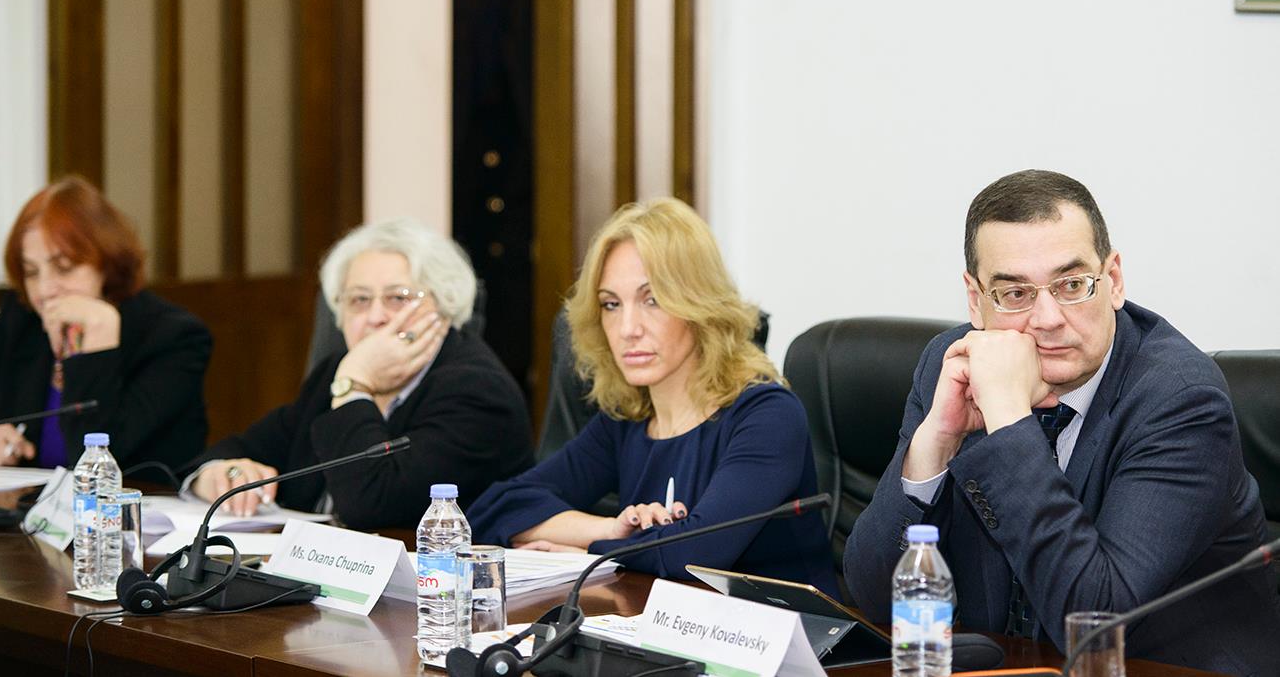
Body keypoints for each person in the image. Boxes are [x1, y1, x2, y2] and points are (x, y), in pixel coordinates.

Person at [843, 169, 1280, 674]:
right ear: (976, 300)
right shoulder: (955, 365)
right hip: (1013, 665)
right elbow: (874, 599)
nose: (1048, 318)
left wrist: (1008, 421)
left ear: (1113, 280)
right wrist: (934, 445)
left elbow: (1094, 621)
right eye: (1015, 294)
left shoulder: (1182, 402)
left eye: (1072, 285)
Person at [469, 198, 839, 597]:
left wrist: (589, 552)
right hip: (667, 628)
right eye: (611, 304)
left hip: (789, 633)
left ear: (700, 304)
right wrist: (610, 530)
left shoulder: (767, 414)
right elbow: (492, 510)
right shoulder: (626, 421)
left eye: (653, 299)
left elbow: (693, 553)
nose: (628, 328)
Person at [185, 218, 533, 530]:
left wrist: (354, 387)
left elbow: (370, 505)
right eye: (360, 300)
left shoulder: (478, 391)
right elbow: (239, 449)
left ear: (443, 308)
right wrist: (217, 475)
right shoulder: (334, 371)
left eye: (398, 298)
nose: (376, 317)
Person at [0, 176, 211, 478]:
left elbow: (96, 463)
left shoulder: (175, 338)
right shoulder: (21, 318)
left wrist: (99, 339)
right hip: (27, 506)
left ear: (106, 262)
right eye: (32, 272)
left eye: (64, 268)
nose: (45, 289)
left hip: (135, 505)